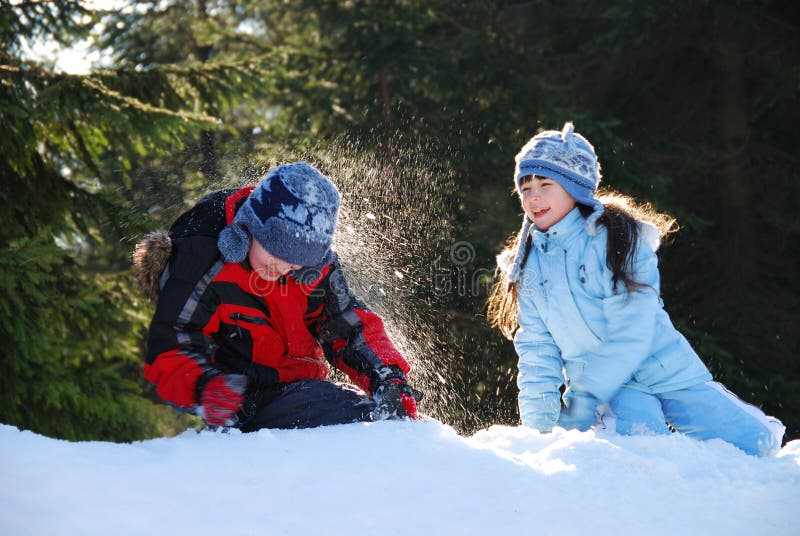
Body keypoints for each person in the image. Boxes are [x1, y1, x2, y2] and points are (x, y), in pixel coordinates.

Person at [487, 122, 785, 456]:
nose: (534, 196)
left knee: (755, 444)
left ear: (576, 188)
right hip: (609, 393)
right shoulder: (527, 266)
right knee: (644, 448)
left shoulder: (617, 240)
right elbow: (538, 351)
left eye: (545, 184)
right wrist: (539, 435)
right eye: (525, 188)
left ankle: (763, 443)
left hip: (663, 365)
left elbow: (633, 326)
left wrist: (586, 393)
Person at [132, 161, 421, 431]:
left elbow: (348, 326)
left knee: (379, 417)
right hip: (244, 403)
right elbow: (172, 341)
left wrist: (389, 378)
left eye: (296, 262)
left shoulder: (313, 269)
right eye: (276, 253)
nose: (283, 267)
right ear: (250, 229)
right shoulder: (206, 259)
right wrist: (205, 388)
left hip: (302, 389)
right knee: (363, 424)